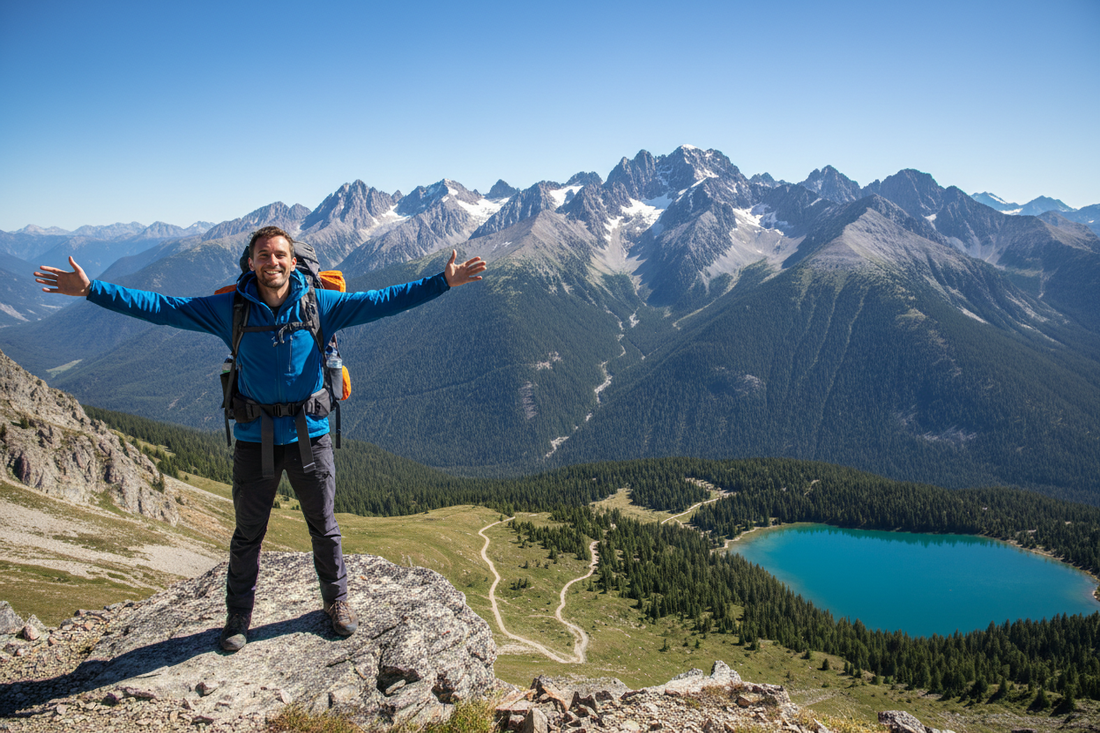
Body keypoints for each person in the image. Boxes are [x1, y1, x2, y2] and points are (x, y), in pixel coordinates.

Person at [35, 226, 486, 651]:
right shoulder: (230, 309)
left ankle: (336, 601)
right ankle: (237, 618)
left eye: (281, 255)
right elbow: (160, 307)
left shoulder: (321, 304)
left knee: (324, 528)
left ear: (293, 262)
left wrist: (441, 283)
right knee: (248, 534)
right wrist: (93, 289)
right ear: (250, 262)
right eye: (264, 255)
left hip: (311, 436)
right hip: (255, 440)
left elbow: (385, 300)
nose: (273, 261)